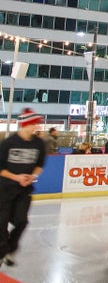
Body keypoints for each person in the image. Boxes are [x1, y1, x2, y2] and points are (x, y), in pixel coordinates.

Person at [0, 109, 46, 267]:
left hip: (24, 190)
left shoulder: (38, 143)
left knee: (21, 222)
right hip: (5, 190)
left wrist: (32, 176)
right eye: (33, 124)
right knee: (1, 223)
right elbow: (0, 168)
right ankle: (2, 251)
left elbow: (40, 165)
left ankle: (10, 249)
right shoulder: (8, 143)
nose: (36, 127)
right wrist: (17, 177)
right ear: (25, 125)